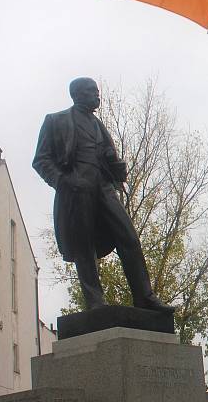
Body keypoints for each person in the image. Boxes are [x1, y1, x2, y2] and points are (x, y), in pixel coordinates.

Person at [33, 77, 173, 313]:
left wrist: (116, 168)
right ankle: (95, 301)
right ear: (77, 94)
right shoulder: (56, 121)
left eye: (97, 92)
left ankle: (144, 296)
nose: (97, 96)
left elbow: (108, 159)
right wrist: (64, 182)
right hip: (77, 190)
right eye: (91, 91)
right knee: (83, 247)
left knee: (129, 237)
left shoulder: (99, 125)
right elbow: (41, 160)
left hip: (104, 187)